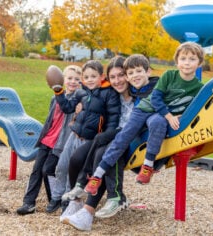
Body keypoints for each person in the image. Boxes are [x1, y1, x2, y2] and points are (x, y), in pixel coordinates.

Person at [84, 42, 205, 198]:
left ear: (199, 62)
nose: (187, 63)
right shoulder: (169, 76)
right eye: (183, 58)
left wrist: (178, 117)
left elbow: (191, 108)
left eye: (192, 59)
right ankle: (97, 176)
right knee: (124, 136)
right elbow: (155, 98)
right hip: (145, 108)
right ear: (177, 61)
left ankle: (148, 166)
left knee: (157, 123)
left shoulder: (198, 87)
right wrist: (169, 116)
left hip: (158, 115)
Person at [61, 54, 160, 230]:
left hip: (131, 141)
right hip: (110, 135)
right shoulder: (113, 94)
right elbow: (92, 95)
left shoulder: (140, 93)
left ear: (128, 75)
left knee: (103, 155)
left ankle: (87, 213)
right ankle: (76, 201)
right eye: (113, 77)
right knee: (77, 157)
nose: (117, 80)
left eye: (121, 75)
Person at [47, 60, 121, 212]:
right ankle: (56, 197)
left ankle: (67, 200)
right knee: (61, 166)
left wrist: (107, 135)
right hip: (74, 135)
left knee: (73, 170)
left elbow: (113, 118)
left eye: (93, 76)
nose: (89, 80)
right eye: (86, 77)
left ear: (101, 76)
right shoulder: (81, 92)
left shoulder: (109, 94)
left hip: (89, 139)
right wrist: (59, 92)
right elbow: (67, 108)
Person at [16, 65, 82, 215]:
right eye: (69, 78)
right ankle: (28, 203)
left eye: (77, 79)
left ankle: (55, 198)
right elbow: (50, 120)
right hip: (48, 139)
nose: (73, 82)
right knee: (36, 171)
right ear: (63, 80)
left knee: (48, 170)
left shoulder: (78, 100)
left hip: (61, 143)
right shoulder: (55, 97)